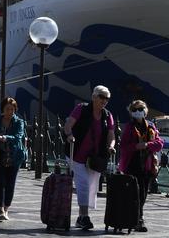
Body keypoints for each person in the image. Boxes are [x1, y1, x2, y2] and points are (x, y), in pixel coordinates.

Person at [63, 85, 116, 231]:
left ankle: (81, 217)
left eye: (107, 98)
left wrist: (111, 145)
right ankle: (85, 216)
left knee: (92, 185)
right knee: (84, 183)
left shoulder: (107, 115)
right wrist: (69, 135)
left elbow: (111, 134)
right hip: (77, 153)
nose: (104, 100)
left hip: (95, 157)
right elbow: (68, 125)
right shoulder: (81, 109)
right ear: (94, 96)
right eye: (101, 97)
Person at [118, 100, 164, 233]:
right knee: (135, 193)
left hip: (147, 165)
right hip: (133, 164)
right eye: (135, 110)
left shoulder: (150, 126)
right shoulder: (129, 127)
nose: (138, 112)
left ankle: (137, 218)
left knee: (143, 193)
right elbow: (124, 147)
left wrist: (147, 145)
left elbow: (159, 143)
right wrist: (136, 146)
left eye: (141, 109)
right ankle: (137, 219)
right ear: (131, 112)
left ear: (145, 111)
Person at [0, 97, 26, 221]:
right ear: (3, 109)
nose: (10, 112)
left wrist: (3, 137)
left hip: (14, 156)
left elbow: (18, 136)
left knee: (10, 183)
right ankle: (0, 209)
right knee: (0, 182)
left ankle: (6, 208)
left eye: (12, 109)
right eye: (7, 109)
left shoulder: (19, 122)